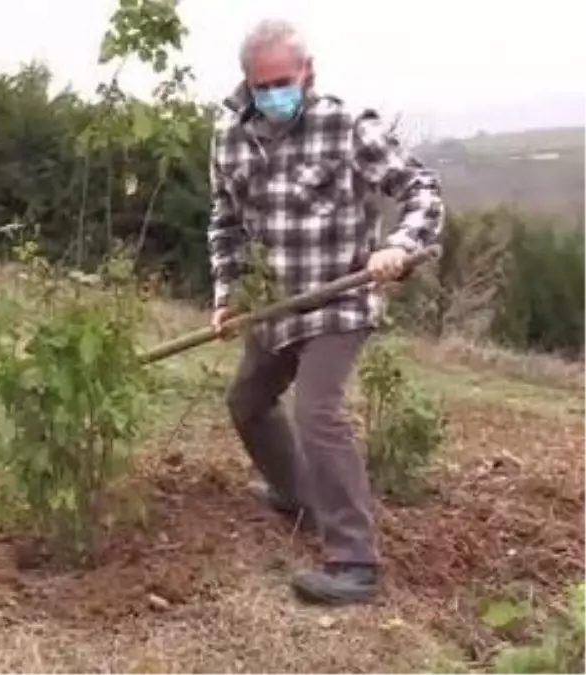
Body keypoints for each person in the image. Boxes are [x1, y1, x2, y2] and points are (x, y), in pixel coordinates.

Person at [206, 19, 444, 605]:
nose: (274, 94)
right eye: (262, 85)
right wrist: (229, 293)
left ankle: (354, 561)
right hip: (277, 303)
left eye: (284, 81)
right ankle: (297, 496)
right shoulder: (230, 138)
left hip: (339, 300)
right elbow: (226, 222)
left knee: (318, 411)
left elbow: (422, 189)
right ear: (247, 82)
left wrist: (399, 246)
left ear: (308, 72)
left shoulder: (345, 127)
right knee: (247, 402)